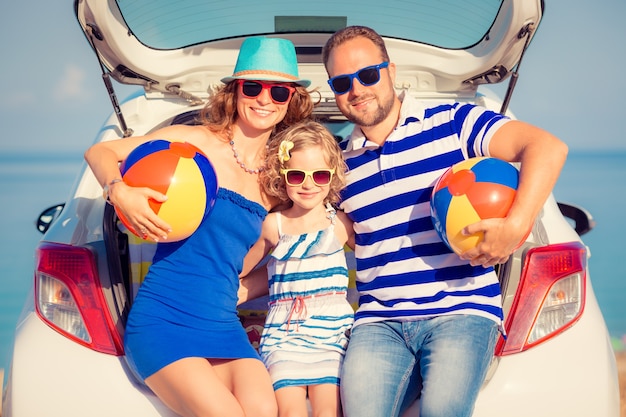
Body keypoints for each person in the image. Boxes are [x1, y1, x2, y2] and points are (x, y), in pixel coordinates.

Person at [321, 26, 568, 417]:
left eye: (368, 74)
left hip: (462, 311)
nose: (357, 89)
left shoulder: (454, 123)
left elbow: (547, 147)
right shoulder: (334, 164)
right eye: (342, 82)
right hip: (378, 322)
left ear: (391, 71)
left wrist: (515, 227)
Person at [84, 36, 313, 417]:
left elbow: (294, 249)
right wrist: (119, 191)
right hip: (163, 322)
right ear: (235, 92)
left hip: (223, 325)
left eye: (279, 92)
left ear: (291, 100)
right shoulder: (195, 144)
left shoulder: (277, 182)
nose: (264, 99)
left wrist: (246, 288)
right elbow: (101, 152)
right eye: (253, 87)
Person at [239, 120, 354, 417]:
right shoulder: (273, 225)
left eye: (319, 175)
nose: (308, 184)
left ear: (332, 176)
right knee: (290, 413)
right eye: (296, 175)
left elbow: (380, 258)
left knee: (328, 411)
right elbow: (238, 270)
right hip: (285, 335)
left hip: (332, 333)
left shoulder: (339, 224)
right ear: (282, 176)